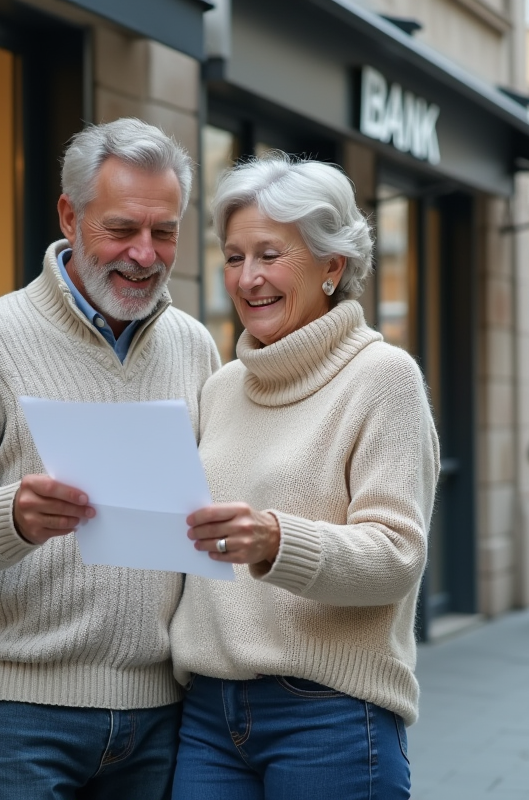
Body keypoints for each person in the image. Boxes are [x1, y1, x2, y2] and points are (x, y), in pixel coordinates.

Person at [0, 118, 220, 799]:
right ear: (70, 216)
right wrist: (7, 514)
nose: (144, 253)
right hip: (19, 714)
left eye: (164, 232)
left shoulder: (196, 347)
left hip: (162, 713)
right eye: (122, 228)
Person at [168, 153, 439, 799]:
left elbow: (398, 556)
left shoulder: (383, 377)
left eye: (269, 254)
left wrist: (275, 541)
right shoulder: (222, 387)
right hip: (207, 714)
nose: (248, 278)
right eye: (234, 257)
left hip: (329, 716)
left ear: (332, 266)